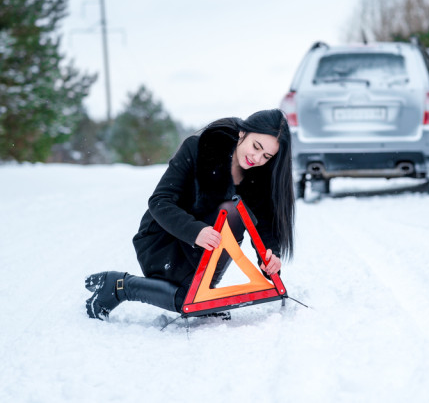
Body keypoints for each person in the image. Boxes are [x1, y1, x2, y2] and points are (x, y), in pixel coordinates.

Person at [85, 109, 295, 320]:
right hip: (166, 241)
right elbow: (159, 201)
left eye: (266, 156)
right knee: (189, 300)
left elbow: (264, 222)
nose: (257, 158)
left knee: (233, 215)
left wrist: (270, 256)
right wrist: (196, 231)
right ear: (243, 133)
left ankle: (202, 290)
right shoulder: (198, 148)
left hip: (204, 254)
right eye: (256, 146)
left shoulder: (258, 175)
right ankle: (119, 285)